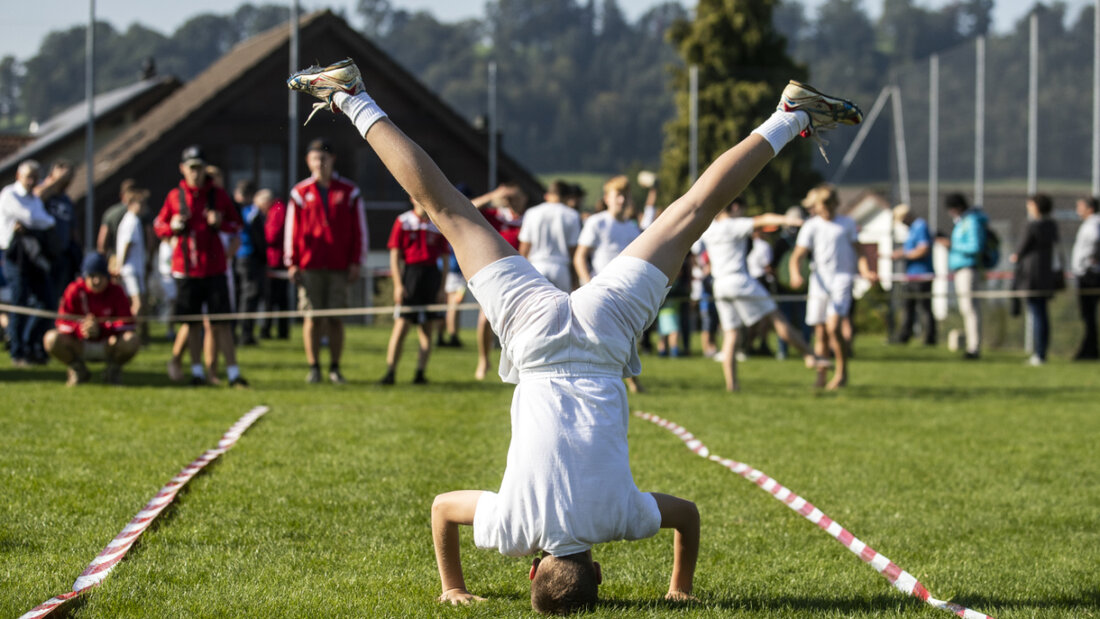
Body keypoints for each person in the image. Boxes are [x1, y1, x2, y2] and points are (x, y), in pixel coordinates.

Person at [289, 59, 860, 610]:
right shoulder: (513, 529)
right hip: (533, 337)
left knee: (692, 213)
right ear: (533, 567)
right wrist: (451, 587)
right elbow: (441, 509)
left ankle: (790, 115)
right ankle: (349, 95)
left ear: (599, 569)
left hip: (604, 335)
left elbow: (687, 515)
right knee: (448, 209)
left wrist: (680, 589)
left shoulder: (620, 519)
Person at [701, 201, 826, 392]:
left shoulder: (710, 229)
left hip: (720, 285)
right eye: (742, 209)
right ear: (734, 207)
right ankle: (811, 355)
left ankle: (732, 385)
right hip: (739, 280)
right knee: (777, 318)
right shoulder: (733, 225)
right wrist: (795, 221)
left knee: (731, 334)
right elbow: (765, 219)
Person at [154, 145, 249, 387]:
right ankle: (196, 371)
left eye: (199, 167)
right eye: (191, 168)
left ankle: (233, 373)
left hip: (215, 267)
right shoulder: (175, 196)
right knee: (192, 323)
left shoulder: (218, 195)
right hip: (186, 269)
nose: (196, 173)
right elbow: (159, 226)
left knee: (222, 323)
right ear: (183, 169)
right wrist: (172, 226)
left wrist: (220, 222)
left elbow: (237, 225)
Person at [286, 138, 368, 384]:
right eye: (315, 158)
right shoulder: (300, 193)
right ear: (308, 161)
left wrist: (357, 261)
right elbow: (292, 229)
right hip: (309, 265)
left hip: (339, 265)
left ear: (332, 159)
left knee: (335, 318)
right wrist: (291, 261)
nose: (319, 163)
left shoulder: (349, 191)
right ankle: (314, 367)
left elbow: (359, 229)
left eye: (324, 158)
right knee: (312, 317)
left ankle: (334, 367)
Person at [789, 185, 877, 390]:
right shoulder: (811, 226)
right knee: (820, 332)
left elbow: (860, 252)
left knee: (834, 327)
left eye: (830, 204)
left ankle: (841, 373)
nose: (826, 208)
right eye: (823, 204)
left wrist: (865, 271)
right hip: (819, 281)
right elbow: (797, 256)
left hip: (842, 279)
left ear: (835, 203)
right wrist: (795, 274)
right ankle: (821, 376)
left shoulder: (847, 223)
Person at [43, 252, 139, 385]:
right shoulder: (74, 290)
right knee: (51, 338)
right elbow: (61, 322)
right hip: (79, 344)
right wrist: (80, 329)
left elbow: (128, 323)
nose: (97, 281)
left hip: (108, 343)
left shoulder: (116, 291)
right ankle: (78, 369)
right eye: (92, 276)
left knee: (131, 340)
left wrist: (102, 329)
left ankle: (113, 370)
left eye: (101, 276)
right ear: (84, 276)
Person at [381, 198, 449, 385]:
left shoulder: (437, 224)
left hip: (431, 277)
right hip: (411, 276)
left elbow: (444, 258)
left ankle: (420, 373)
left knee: (427, 330)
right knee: (401, 327)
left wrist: (442, 288)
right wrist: (398, 284)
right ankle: (390, 372)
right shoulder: (403, 221)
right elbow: (395, 256)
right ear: (411, 198)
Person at [0, 160, 56, 367]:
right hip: (16, 257)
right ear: (18, 176)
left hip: (35, 258)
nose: (32, 181)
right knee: (19, 304)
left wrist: (37, 225)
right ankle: (17, 352)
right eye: (28, 177)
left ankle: (30, 343)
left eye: (35, 177)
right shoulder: (9, 195)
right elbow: (34, 218)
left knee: (47, 302)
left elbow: (45, 221)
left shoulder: (34, 198)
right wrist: (38, 224)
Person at [472, 183, 526, 380]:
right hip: (497, 273)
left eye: (516, 196)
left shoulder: (529, 219)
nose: (512, 200)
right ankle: (484, 359)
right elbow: (469, 208)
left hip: (522, 274)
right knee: (484, 319)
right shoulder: (497, 215)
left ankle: (517, 363)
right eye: (509, 197)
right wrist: (492, 195)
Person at [936, 192, 987, 359]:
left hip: (968, 268)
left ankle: (974, 348)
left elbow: (975, 246)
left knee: (971, 309)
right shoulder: (963, 222)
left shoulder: (971, 222)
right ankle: (972, 345)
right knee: (966, 309)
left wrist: (952, 245)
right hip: (960, 269)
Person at [1010, 194, 1060, 366]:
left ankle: (1038, 354)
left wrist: (1015, 257)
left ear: (1036, 207)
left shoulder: (1031, 226)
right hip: (1046, 275)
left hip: (1031, 275)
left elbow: (1020, 251)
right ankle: (1041, 352)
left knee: (1037, 314)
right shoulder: (1052, 225)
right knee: (1043, 314)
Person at [518, 180, 581, 292]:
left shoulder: (532, 212)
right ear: (567, 197)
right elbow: (573, 250)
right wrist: (575, 280)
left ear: (547, 195)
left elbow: (525, 247)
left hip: (536, 266)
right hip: (561, 268)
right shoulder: (572, 215)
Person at [892, 204, 936, 346]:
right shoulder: (911, 229)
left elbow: (923, 249)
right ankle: (904, 336)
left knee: (924, 307)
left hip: (922, 275)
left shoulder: (920, 226)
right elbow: (910, 249)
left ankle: (929, 338)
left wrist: (905, 255)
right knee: (908, 306)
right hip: (910, 275)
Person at [234, 179, 266, 347]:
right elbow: (258, 238)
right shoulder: (251, 212)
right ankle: (246, 334)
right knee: (250, 296)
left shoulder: (237, 210)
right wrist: (263, 256)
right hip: (249, 257)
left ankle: (242, 332)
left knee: (242, 296)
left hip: (239, 257)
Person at [115, 185, 150, 324]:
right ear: (131, 204)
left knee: (137, 302)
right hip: (130, 269)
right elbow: (127, 244)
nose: (143, 207)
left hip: (134, 268)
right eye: (140, 203)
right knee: (137, 303)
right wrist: (120, 266)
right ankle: (129, 329)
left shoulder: (133, 220)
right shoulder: (131, 221)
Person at [259, 190, 291, 340]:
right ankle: (280, 331)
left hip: (276, 260)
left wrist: (260, 236)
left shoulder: (277, 209)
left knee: (273, 299)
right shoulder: (278, 208)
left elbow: (272, 235)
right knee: (277, 298)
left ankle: (271, 330)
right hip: (278, 259)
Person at [1071, 196, 1100, 360]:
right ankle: (1090, 348)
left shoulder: (1093, 224)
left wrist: (1088, 260)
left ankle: (1089, 350)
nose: (1077, 209)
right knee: (1087, 315)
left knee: (1088, 314)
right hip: (1087, 273)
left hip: (1089, 275)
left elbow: (1095, 239)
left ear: (1090, 208)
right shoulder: (1091, 223)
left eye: (1080, 206)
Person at [97, 178, 137, 268]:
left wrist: (102, 260)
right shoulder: (142, 213)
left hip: (115, 259)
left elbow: (102, 241)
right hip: (136, 261)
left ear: (121, 195)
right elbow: (150, 238)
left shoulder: (110, 213)